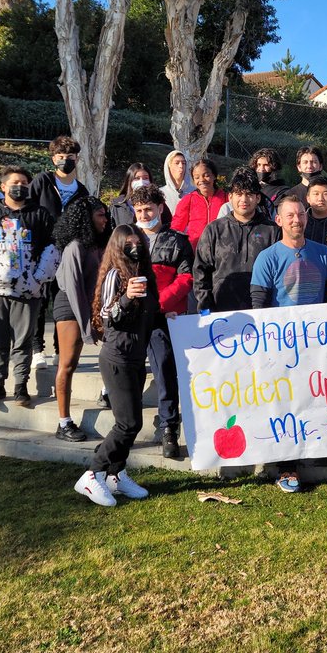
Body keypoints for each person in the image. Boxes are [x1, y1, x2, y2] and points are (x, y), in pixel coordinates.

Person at [249, 195, 327, 493]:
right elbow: (259, 305)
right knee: (285, 404)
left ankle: (323, 449)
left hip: (317, 344)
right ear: (278, 220)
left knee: (317, 397)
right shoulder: (268, 257)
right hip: (281, 347)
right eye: (289, 215)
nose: (296, 220)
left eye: (300, 214)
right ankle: (286, 467)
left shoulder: (323, 253)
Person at [73, 225, 158, 506]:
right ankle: (92, 473)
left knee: (133, 422)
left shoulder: (144, 274)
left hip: (136, 357)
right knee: (127, 423)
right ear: (118, 247)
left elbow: (149, 315)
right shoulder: (114, 275)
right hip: (117, 357)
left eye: (138, 242)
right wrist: (127, 297)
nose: (135, 247)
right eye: (128, 243)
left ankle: (116, 475)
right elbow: (108, 315)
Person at [0, 166, 60, 409]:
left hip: (28, 290)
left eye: (24, 183)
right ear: (3, 187)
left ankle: (21, 386)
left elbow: (53, 247)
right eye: (14, 183)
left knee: (23, 340)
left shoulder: (40, 214)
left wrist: (38, 278)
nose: (19, 187)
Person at [131, 184, 193, 459]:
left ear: (160, 208)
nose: (144, 215)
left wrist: (158, 305)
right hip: (131, 318)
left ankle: (169, 427)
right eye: (139, 210)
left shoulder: (177, 240)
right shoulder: (126, 239)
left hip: (163, 317)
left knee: (165, 371)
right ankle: (126, 427)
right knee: (130, 374)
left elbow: (186, 277)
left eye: (148, 209)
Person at [51, 196, 110, 443]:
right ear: (87, 218)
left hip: (90, 307)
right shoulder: (74, 247)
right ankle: (63, 422)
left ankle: (108, 393)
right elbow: (74, 289)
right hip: (70, 307)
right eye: (100, 215)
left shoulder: (97, 245)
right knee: (67, 364)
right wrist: (87, 327)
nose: (105, 219)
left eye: (105, 214)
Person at [28, 135, 91, 369]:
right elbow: (28, 211)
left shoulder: (82, 191)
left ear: (77, 159)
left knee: (63, 302)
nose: (65, 161)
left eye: (70, 156)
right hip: (41, 251)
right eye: (61, 156)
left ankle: (60, 349)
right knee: (39, 300)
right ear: (53, 159)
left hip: (68, 254)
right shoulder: (42, 181)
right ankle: (37, 349)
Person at [193, 168, 280, 313]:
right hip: (221, 311)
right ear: (230, 197)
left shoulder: (272, 231)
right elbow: (201, 272)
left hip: (262, 312)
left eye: (249, 194)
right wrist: (206, 309)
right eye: (239, 194)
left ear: (258, 198)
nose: (244, 200)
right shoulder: (214, 230)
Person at [171, 158, 227, 250]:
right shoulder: (188, 199)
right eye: (197, 177)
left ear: (214, 176)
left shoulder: (226, 198)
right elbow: (176, 228)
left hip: (221, 250)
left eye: (206, 175)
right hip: (194, 251)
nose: (202, 180)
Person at [111, 162, 171, 230]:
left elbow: (168, 223)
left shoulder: (158, 202)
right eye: (137, 178)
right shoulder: (118, 204)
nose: (141, 182)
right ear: (129, 181)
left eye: (145, 178)